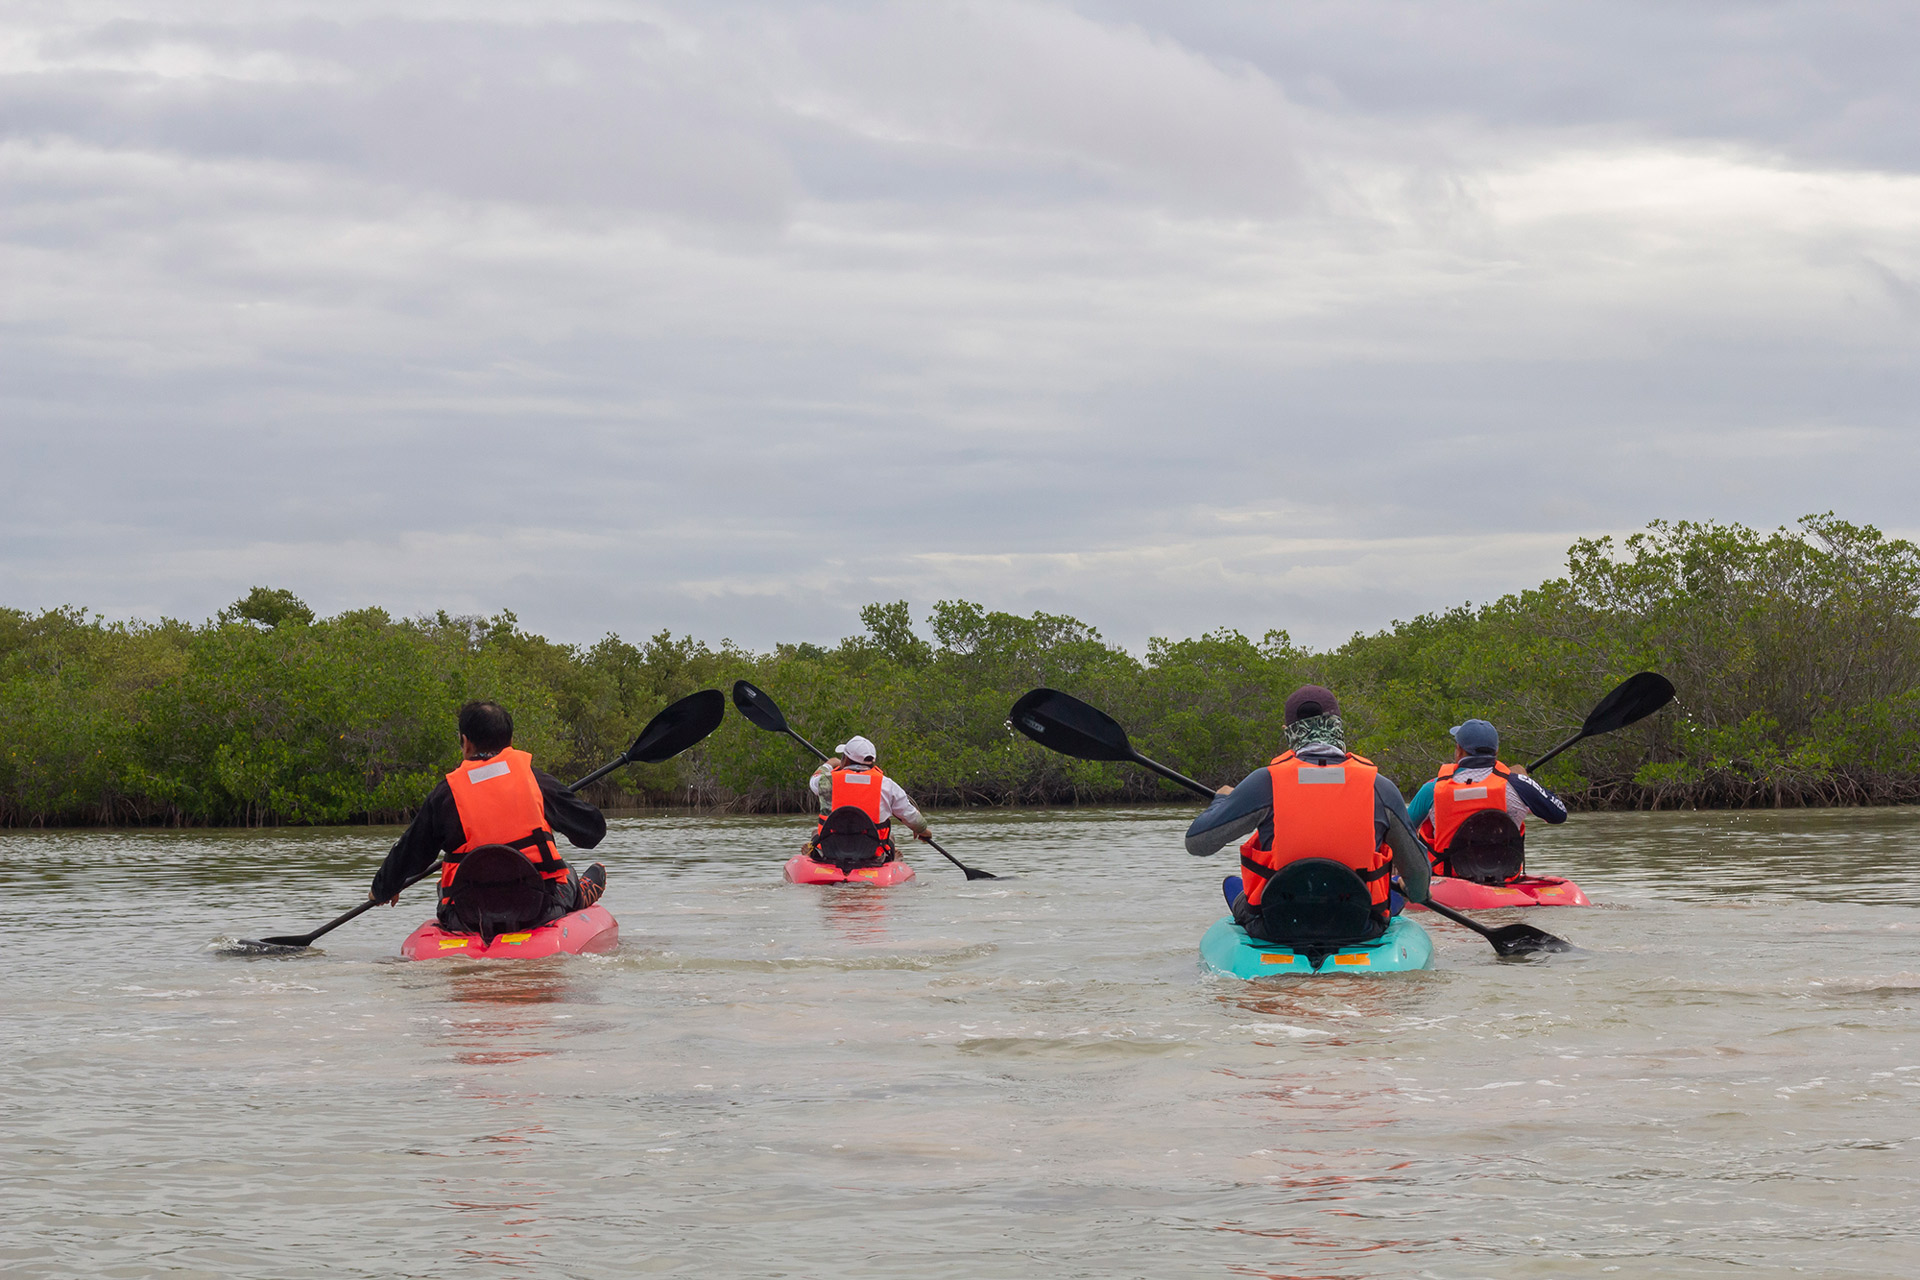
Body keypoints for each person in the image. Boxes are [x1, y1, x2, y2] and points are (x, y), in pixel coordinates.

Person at [1184, 684, 1431, 944]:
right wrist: (1411, 889)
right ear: (1337, 725)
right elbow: (1418, 884)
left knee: (1236, 888)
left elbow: (1198, 843)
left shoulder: (1264, 783)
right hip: (1359, 926)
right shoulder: (1380, 788)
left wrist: (1222, 801)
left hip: (1274, 927)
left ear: (1288, 732)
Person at [369, 700, 608, 928]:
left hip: (468, 915)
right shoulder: (535, 780)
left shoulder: (445, 794)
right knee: (566, 871)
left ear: (466, 743)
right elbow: (593, 831)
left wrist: (383, 888)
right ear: (510, 742)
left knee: (444, 883)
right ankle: (580, 893)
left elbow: (410, 851)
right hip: (539, 909)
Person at [1406, 718, 1567, 881]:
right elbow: (1559, 814)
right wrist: (1526, 781)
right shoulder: (1518, 785)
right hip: (1503, 878)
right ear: (1496, 752)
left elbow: (1401, 831)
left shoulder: (1432, 789)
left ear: (1459, 751)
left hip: (1449, 880)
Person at [806, 734, 932, 864]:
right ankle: (890, 859)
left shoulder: (827, 781)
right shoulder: (886, 784)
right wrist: (923, 830)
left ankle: (816, 857)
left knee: (816, 832)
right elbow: (911, 816)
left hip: (833, 850)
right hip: (871, 852)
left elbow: (813, 779)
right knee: (890, 837)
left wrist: (829, 764)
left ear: (846, 760)